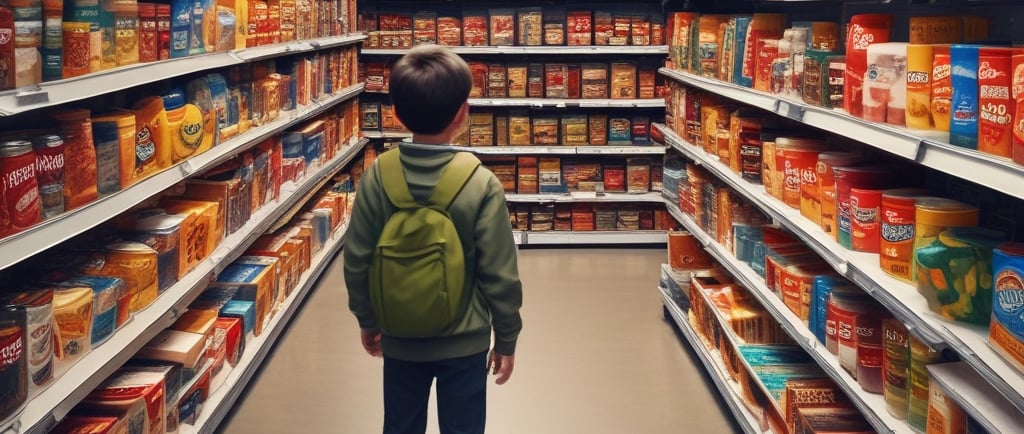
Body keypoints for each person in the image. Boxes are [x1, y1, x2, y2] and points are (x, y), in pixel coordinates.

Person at [343, 44, 524, 434]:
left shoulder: (378, 176)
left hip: (399, 334)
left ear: (395, 113)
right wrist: (506, 338)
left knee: (401, 425)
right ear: (463, 113)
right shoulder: (480, 183)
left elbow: (357, 259)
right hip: (466, 339)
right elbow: (501, 276)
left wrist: (368, 319)